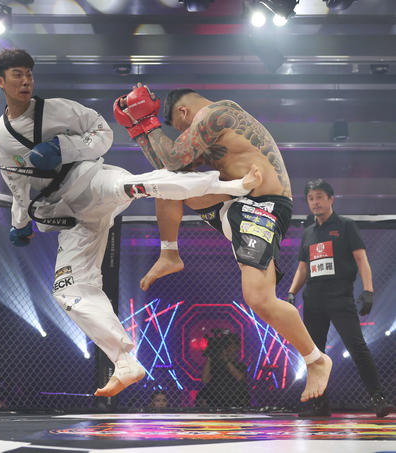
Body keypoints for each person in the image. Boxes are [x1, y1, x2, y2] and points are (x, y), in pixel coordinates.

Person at [0, 49, 262, 398]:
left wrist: (64, 148)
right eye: (17, 74)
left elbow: (102, 133)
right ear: (0, 82)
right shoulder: (1, 135)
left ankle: (231, 186)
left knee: (139, 185)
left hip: (91, 181)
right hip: (70, 215)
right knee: (68, 291)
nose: (26, 80)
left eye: (28, 73)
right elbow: (15, 180)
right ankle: (124, 361)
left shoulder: (57, 109)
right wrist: (19, 223)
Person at [113, 84, 332, 403]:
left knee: (259, 298)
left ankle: (316, 359)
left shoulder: (214, 115)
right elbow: (171, 166)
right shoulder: (209, 129)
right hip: (237, 200)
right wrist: (138, 130)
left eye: (180, 129)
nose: (182, 136)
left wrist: (145, 124)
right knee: (165, 183)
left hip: (261, 205)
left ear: (184, 111)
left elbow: (173, 156)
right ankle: (169, 254)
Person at [288, 179, 394, 417]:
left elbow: (361, 259)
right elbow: (303, 267)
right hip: (313, 300)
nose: (315, 202)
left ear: (330, 199)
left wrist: (368, 291)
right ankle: (319, 404)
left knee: (357, 347)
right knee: (314, 353)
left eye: (319, 197)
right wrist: (292, 293)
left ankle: (378, 399)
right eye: (311, 198)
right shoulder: (308, 232)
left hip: (340, 297)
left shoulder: (346, 226)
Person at [198, 331, 250, 409]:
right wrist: (210, 357)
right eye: (226, 346)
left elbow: (239, 377)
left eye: (231, 345)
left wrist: (226, 360)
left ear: (237, 348)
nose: (228, 348)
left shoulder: (240, 365)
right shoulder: (216, 365)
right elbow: (205, 380)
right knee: (202, 395)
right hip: (215, 399)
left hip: (234, 398)